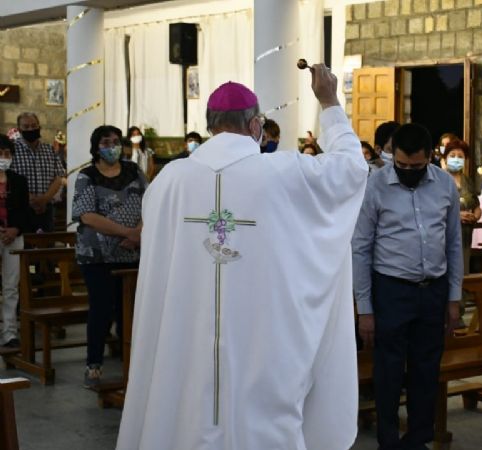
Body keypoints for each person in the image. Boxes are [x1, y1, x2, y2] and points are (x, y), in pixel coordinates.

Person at [117, 65, 368, 450]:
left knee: (187, 408)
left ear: (209, 124)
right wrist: (330, 101)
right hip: (266, 340)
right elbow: (350, 170)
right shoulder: (286, 172)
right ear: (256, 125)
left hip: (186, 340)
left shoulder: (169, 180)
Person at [353, 123, 462, 450]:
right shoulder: (375, 185)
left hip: (433, 291)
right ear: (392, 157)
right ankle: (388, 442)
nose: (408, 172)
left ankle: (417, 440)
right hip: (391, 290)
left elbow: (454, 243)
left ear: (430, 157)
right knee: (387, 372)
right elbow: (360, 247)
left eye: (416, 166)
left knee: (426, 370)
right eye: (401, 165)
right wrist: (365, 308)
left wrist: (454, 297)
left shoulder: (444, 184)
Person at [72, 125, 147, 387]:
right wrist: (126, 231)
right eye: (106, 142)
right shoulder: (87, 175)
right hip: (97, 256)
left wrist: (138, 233)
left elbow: (150, 203)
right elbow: (86, 215)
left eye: (116, 141)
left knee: (131, 310)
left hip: (132, 253)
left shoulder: (134, 171)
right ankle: (94, 365)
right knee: (102, 309)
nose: (112, 146)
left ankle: (133, 365)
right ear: (96, 147)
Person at [11, 112, 65, 232]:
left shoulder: (49, 149)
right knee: (24, 247)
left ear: (39, 127)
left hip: (47, 209)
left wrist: (45, 199)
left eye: (34, 125)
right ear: (19, 129)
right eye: (26, 126)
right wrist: (31, 200)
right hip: (21, 208)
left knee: (47, 246)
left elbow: (59, 177)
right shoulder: (12, 150)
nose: (31, 129)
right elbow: (9, 179)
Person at [0, 135, 29, 349]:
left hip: (14, 236)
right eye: (0, 154)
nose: (3, 158)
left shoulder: (19, 180)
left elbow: (23, 211)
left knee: (11, 287)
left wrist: (15, 228)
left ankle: (9, 332)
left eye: (7, 154)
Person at [443, 139, 481, 274]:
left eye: (460, 157)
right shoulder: (440, 180)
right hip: (445, 236)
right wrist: (457, 216)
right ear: (445, 158)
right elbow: (433, 208)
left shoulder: (468, 181)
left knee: (462, 271)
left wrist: (475, 216)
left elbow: (476, 205)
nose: (456, 159)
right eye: (452, 156)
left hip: (465, 235)